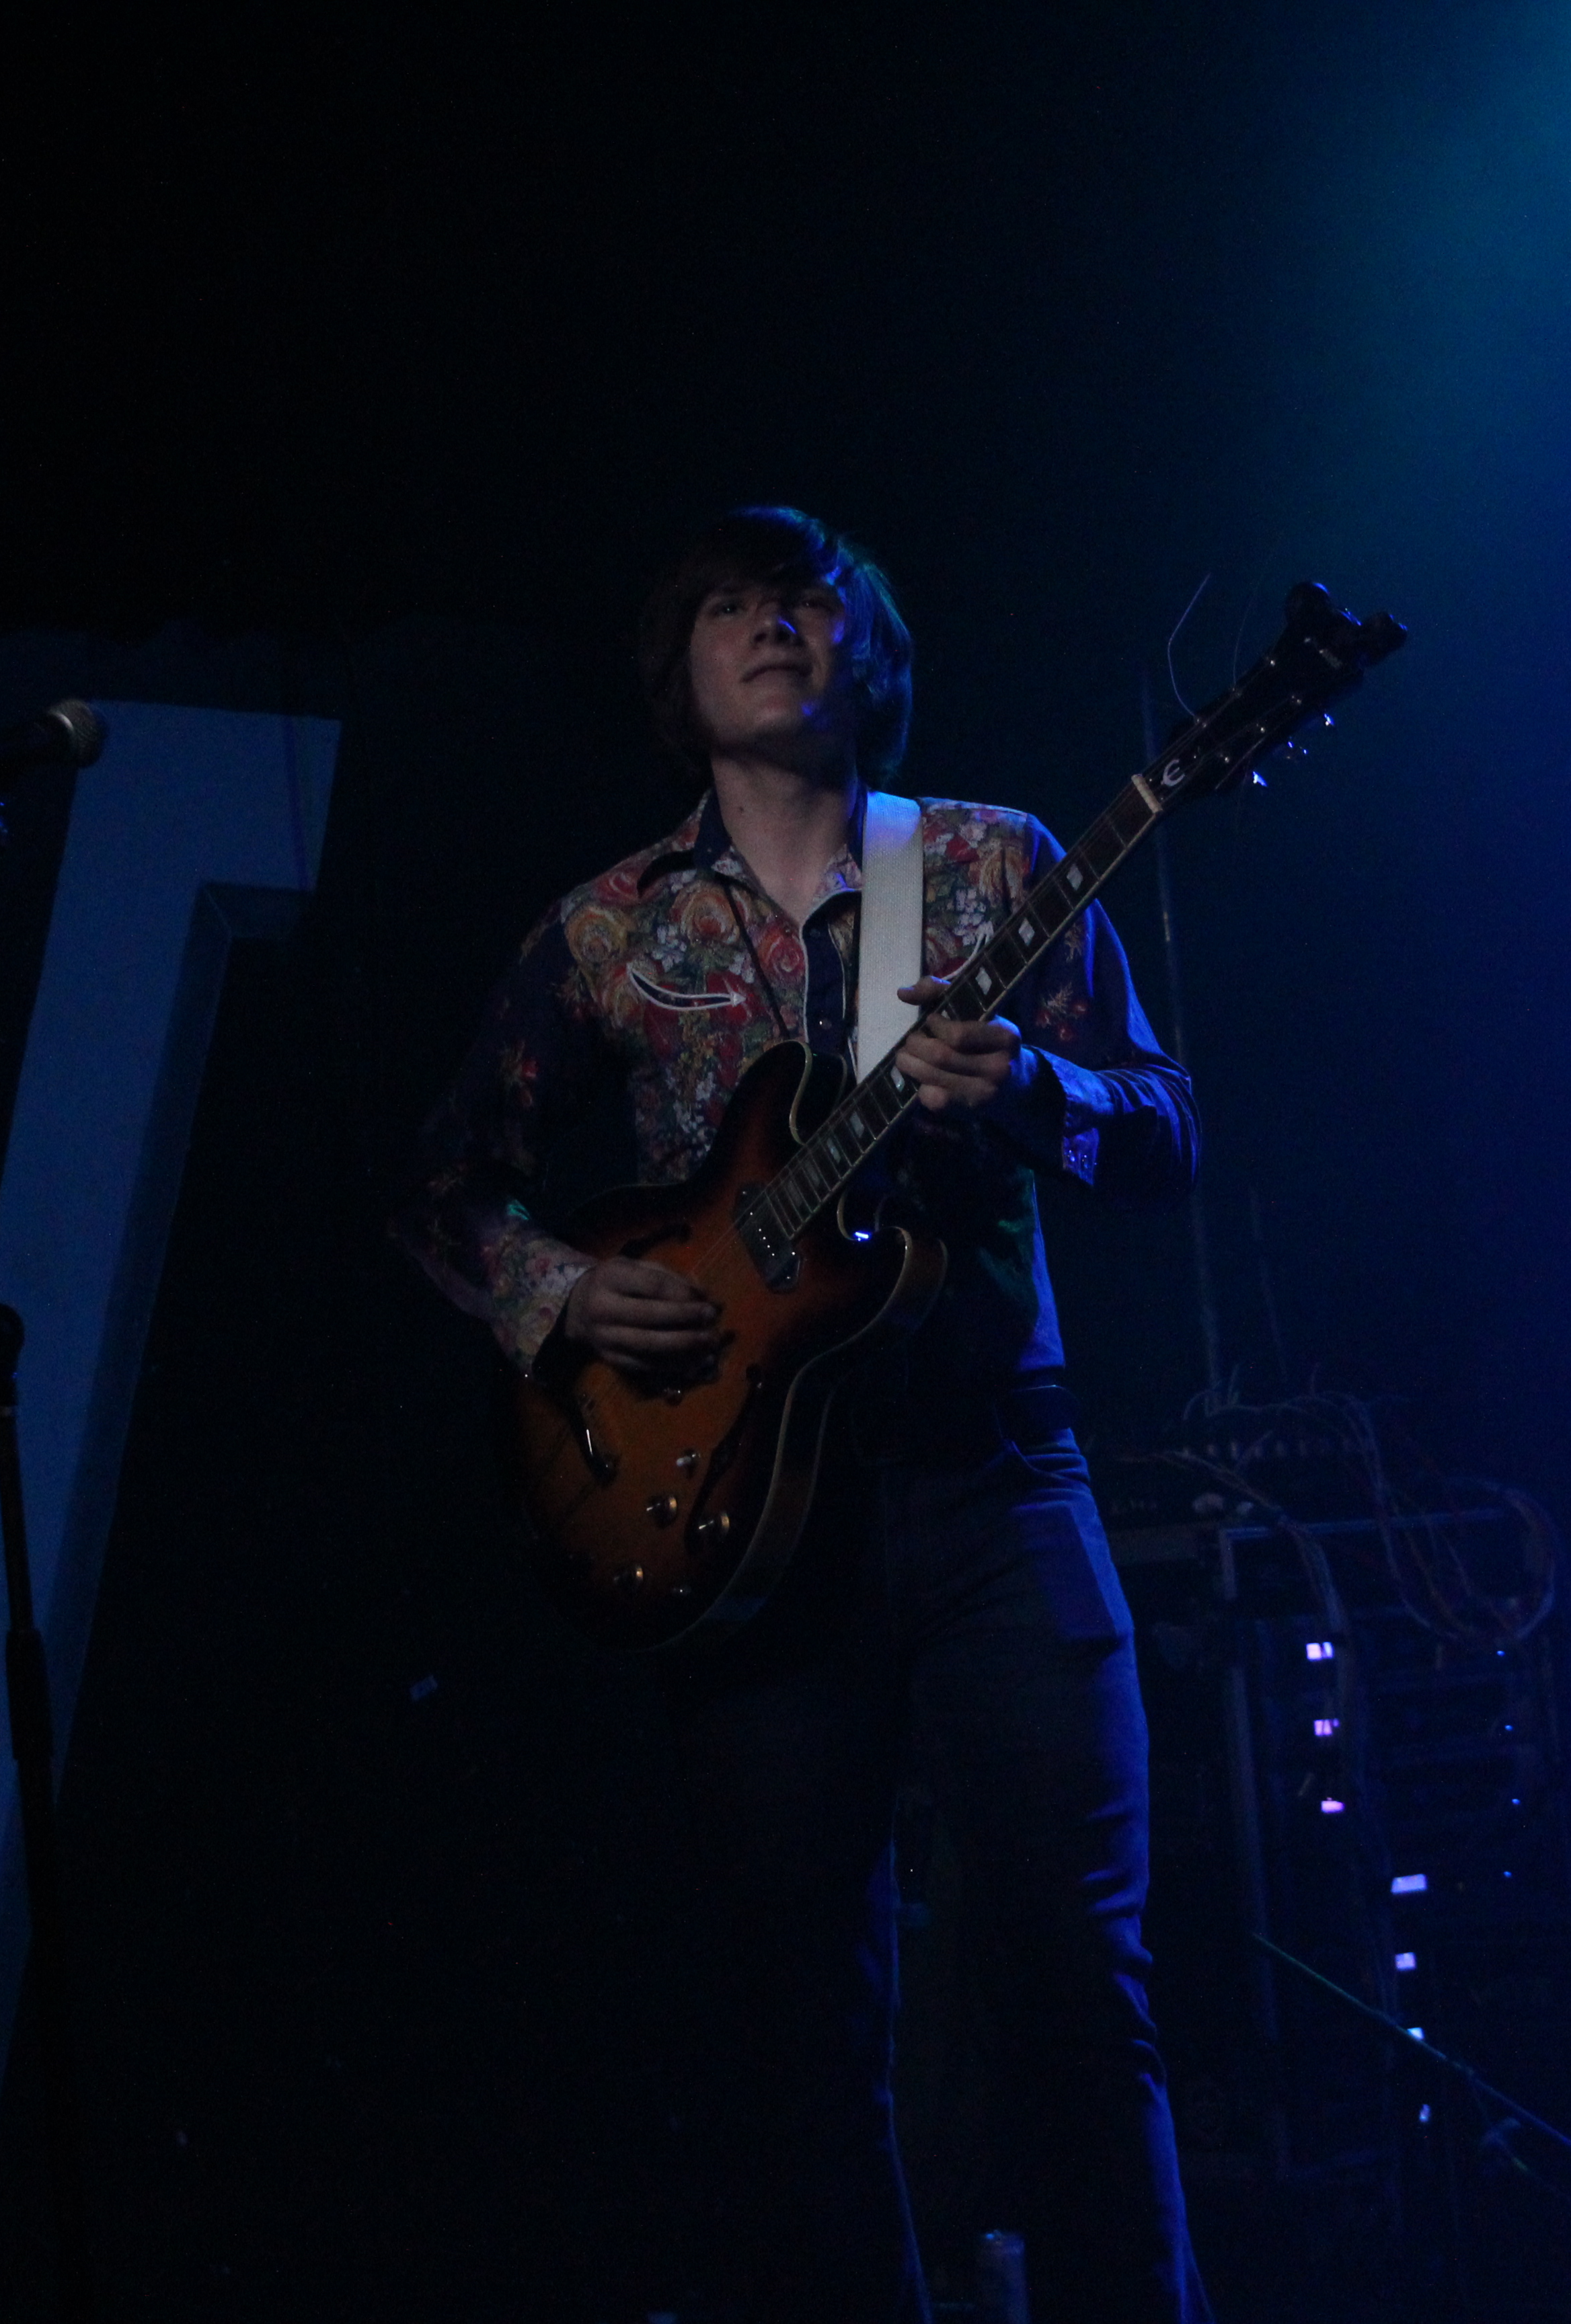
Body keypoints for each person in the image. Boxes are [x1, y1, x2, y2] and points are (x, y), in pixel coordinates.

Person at [399, 506, 1211, 2320]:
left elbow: (1169, 1131)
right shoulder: (608, 927)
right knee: (803, 2027)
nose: (772, 624)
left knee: (1082, 1986)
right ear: (677, 671)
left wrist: (1044, 1090)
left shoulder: (988, 863)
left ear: (870, 651)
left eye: (807, 599)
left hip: (993, 1483)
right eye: (727, 604)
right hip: (743, 1527)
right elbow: (442, 1195)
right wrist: (562, 1294)